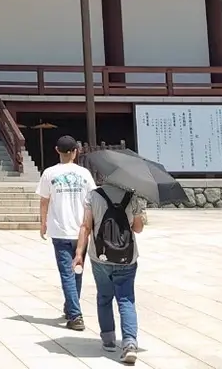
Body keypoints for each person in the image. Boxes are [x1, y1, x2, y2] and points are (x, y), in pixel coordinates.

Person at [74, 183, 146, 365]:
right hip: (127, 258)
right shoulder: (132, 197)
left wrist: (78, 254)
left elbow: (85, 227)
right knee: (126, 299)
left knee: (104, 297)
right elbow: (138, 228)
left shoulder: (93, 196)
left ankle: (108, 340)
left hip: (101, 257)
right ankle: (129, 343)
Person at [36, 134, 96, 332]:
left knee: (67, 273)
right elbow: (93, 200)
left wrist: (43, 222)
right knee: (76, 270)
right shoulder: (85, 174)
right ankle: (71, 307)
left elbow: (44, 200)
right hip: (81, 230)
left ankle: (75, 315)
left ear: (57, 151)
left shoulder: (49, 173)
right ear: (75, 151)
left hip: (60, 228)